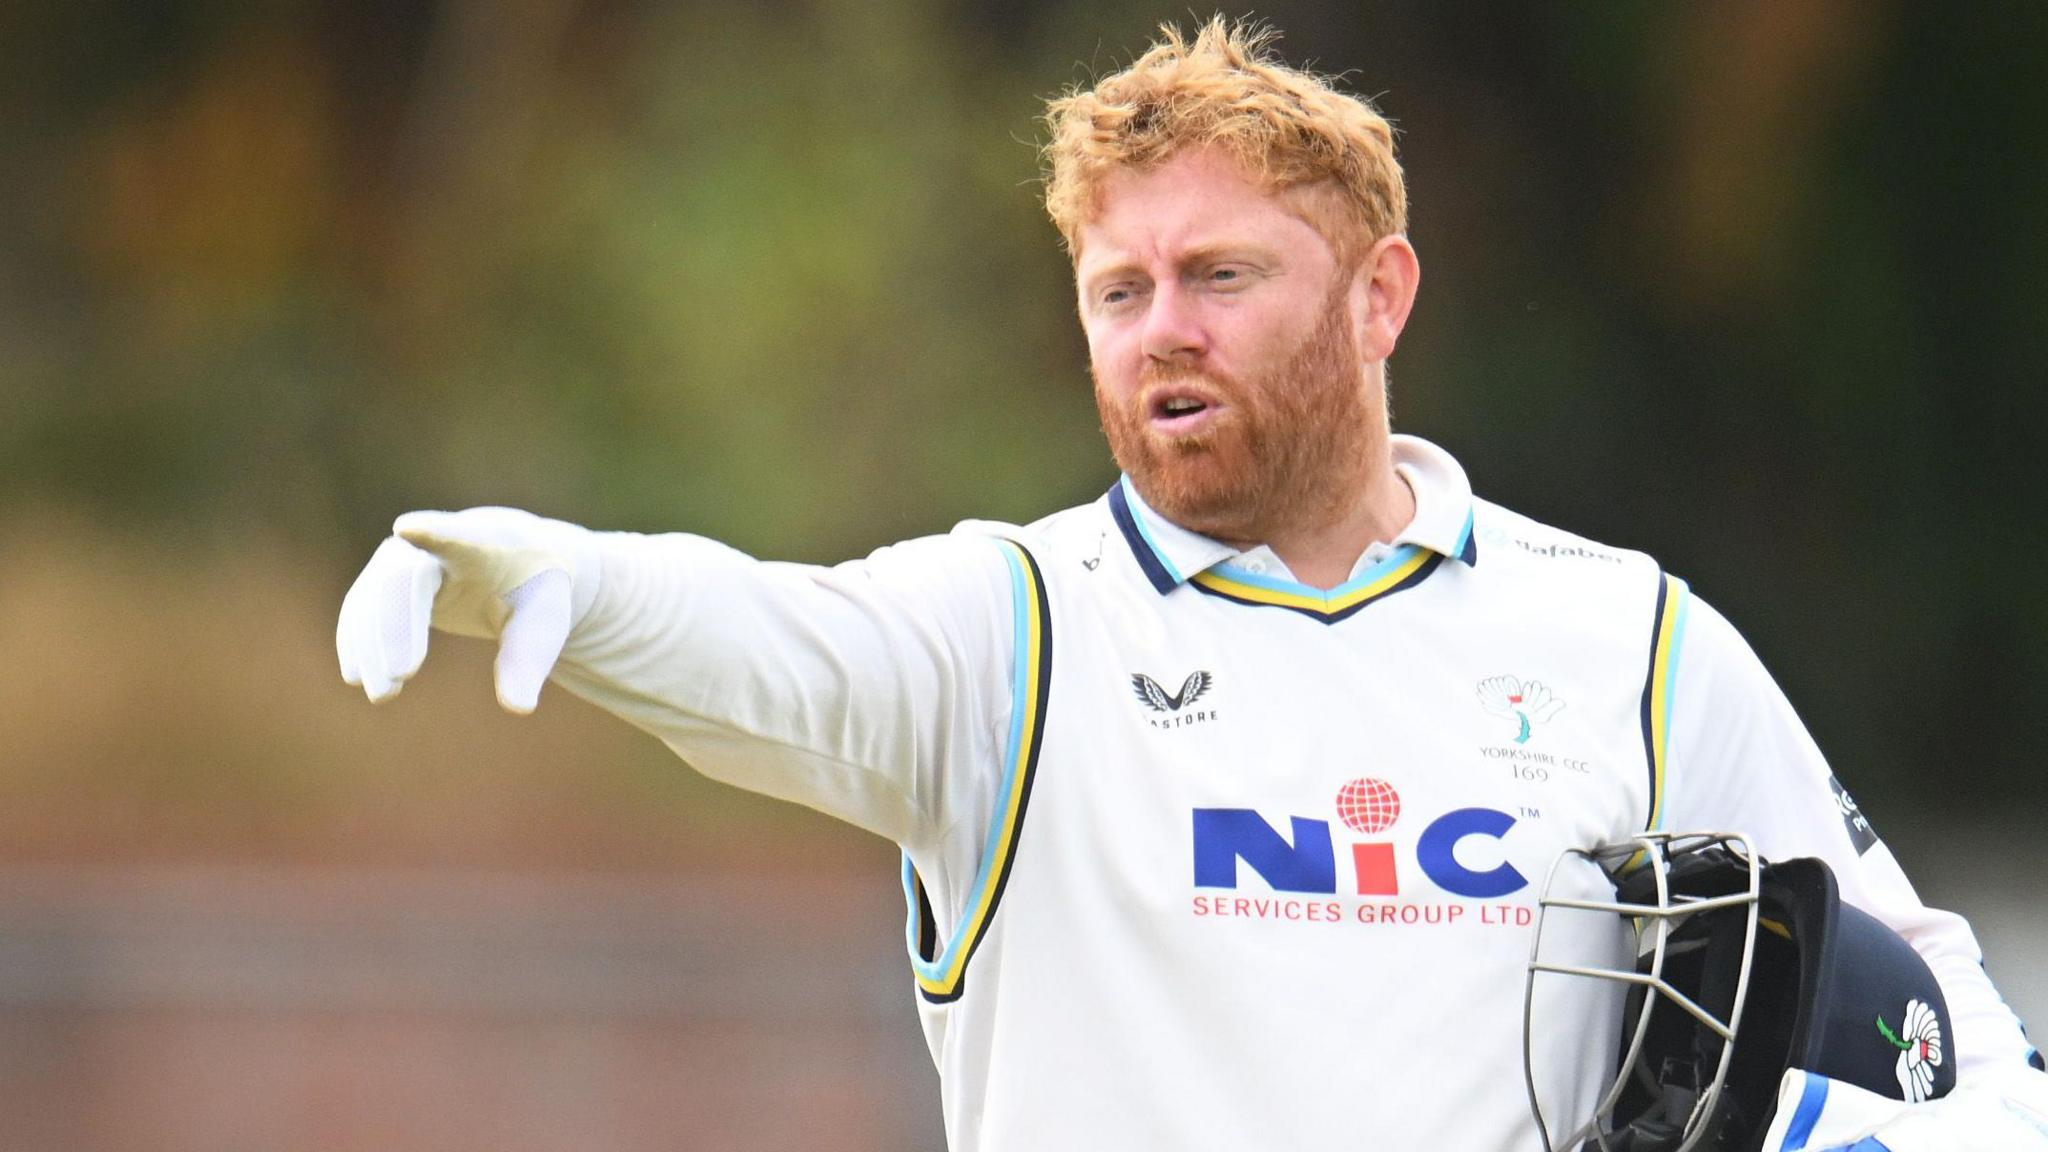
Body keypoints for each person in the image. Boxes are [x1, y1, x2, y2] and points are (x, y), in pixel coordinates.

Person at [337, 18, 2047, 1151]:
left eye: (1221, 274)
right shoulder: (1015, 634)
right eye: (1117, 288)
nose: (1163, 327)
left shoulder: (1625, 638)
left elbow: (1933, 1012)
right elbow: (781, 646)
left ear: (1380, 297)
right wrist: (584, 588)